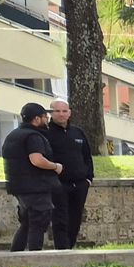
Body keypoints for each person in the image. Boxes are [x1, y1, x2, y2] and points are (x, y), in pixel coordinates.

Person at [0, 103, 60, 252]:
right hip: (36, 187)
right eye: (45, 117)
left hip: (19, 186)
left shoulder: (13, 135)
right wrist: (55, 166)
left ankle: (15, 256)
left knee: (26, 224)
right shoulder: (33, 136)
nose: (47, 120)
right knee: (38, 223)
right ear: (37, 119)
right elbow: (37, 160)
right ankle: (35, 258)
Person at [45, 100, 94, 249]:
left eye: (64, 111)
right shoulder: (45, 133)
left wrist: (88, 178)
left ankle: (70, 249)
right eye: (57, 111)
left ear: (69, 113)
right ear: (51, 113)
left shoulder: (78, 132)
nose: (61, 114)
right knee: (60, 220)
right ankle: (62, 252)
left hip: (80, 184)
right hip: (58, 184)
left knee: (75, 219)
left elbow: (87, 156)